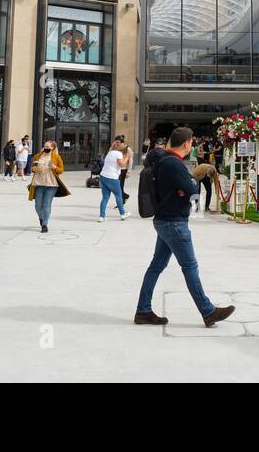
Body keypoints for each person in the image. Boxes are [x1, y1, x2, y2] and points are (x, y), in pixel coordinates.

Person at [134, 126, 234, 329]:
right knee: (190, 267)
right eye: (192, 142)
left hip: (165, 220)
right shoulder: (173, 163)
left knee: (156, 266)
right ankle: (208, 311)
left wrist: (186, 185)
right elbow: (192, 189)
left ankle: (143, 310)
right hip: (174, 223)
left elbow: (185, 188)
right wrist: (189, 183)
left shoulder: (166, 161)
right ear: (187, 143)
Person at [28, 140, 64, 232]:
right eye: (45, 146)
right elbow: (32, 167)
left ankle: (45, 225)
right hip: (39, 183)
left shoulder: (56, 157)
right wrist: (33, 169)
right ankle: (42, 218)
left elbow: (61, 170)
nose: (46, 148)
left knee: (47, 205)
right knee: (38, 205)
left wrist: (55, 167)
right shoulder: (37, 156)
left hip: (51, 184)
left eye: (48, 147)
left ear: (52, 148)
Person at [98, 139, 129, 222]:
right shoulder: (118, 154)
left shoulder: (110, 152)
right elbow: (121, 164)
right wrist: (127, 157)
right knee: (118, 196)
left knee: (105, 198)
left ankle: (102, 217)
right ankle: (122, 214)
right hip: (112, 178)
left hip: (103, 176)